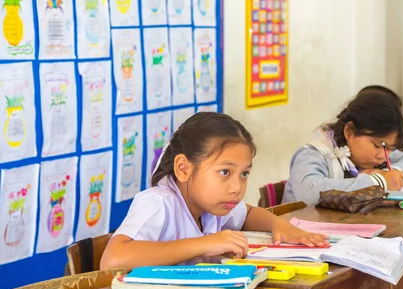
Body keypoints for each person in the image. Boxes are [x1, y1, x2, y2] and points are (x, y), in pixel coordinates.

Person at [101, 112, 328, 271]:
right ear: (183, 169)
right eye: (224, 172)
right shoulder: (158, 203)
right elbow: (113, 259)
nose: (237, 188)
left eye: (244, 174)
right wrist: (206, 244)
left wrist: (280, 226)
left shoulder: (211, 206)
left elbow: (247, 213)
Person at [282, 85, 403, 206]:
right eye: (377, 145)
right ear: (349, 131)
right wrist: (377, 181)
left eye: (389, 148)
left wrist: (391, 174)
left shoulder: (379, 157)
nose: (383, 155)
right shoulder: (313, 154)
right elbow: (308, 193)